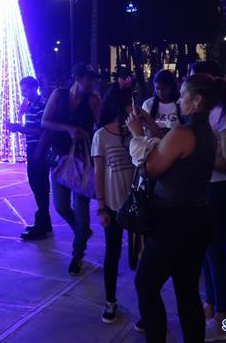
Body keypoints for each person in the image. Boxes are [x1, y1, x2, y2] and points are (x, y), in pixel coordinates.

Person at [127, 74, 222, 343]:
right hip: (198, 216)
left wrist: (137, 135)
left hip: (174, 221)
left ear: (197, 100)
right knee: (187, 290)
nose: (179, 100)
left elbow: (151, 167)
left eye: (183, 95)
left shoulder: (184, 132)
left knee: (145, 284)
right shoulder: (206, 132)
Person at [190, 60, 226, 341]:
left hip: (219, 189)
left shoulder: (224, 115)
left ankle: (223, 314)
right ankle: (210, 305)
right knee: (205, 252)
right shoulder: (203, 114)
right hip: (203, 187)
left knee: (216, 251)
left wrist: (198, 155)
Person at [38, 62, 101, 277]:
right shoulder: (59, 94)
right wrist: (69, 128)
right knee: (61, 205)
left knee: (81, 207)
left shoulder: (92, 100)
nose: (93, 83)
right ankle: (82, 233)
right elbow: (45, 121)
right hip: (60, 158)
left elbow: (101, 126)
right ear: (78, 78)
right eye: (89, 79)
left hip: (82, 159)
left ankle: (78, 255)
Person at [92, 88, 135, 324]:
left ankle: (145, 305)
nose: (133, 108)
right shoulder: (101, 136)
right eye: (129, 104)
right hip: (113, 204)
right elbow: (98, 172)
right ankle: (110, 300)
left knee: (138, 257)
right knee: (113, 253)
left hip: (137, 205)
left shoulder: (134, 133)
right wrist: (101, 207)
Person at [8, 76, 50, 240]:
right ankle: (44, 222)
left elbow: (42, 130)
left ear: (34, 88)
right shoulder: (31, 104)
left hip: (39, 149)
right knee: (37, 185)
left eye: (25, 90)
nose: (22, 93)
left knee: (39, 185)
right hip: (33, 148)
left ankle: (41, 225)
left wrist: (21, 129)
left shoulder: (41, 105)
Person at [140, 69, 182, 136]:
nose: (160, 92)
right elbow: (143, 129)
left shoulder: (181, 104)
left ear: (172, 87)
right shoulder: (148, 104)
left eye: (164, 89)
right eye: (157, 88)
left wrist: (171, 133)